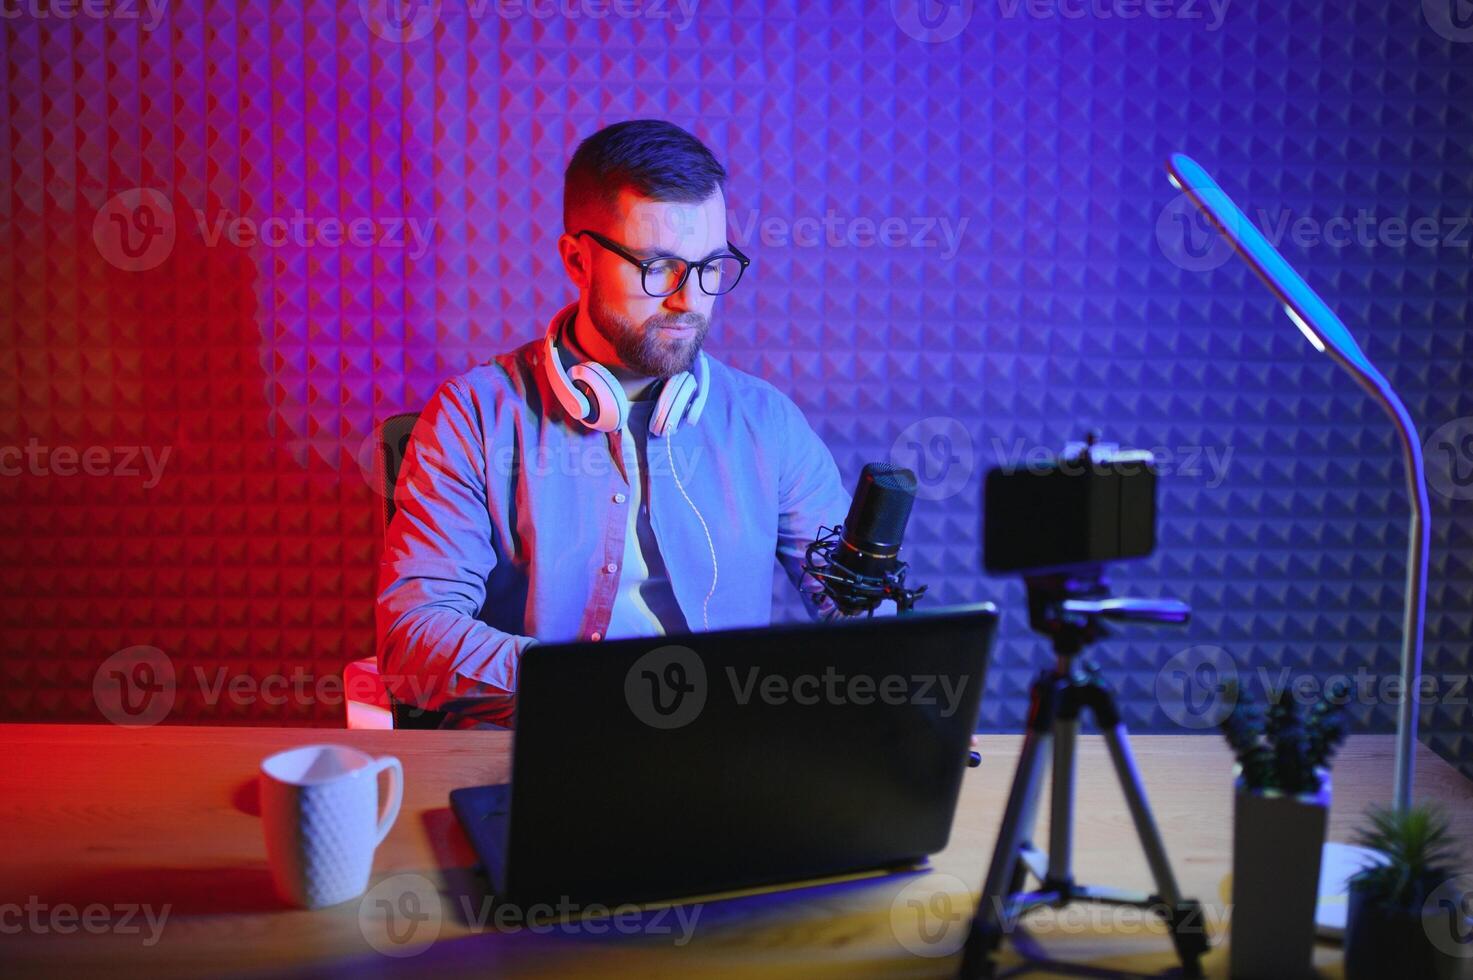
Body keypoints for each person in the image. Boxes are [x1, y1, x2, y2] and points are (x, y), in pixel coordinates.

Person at [376, 119, 856, 727]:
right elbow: (414, 638)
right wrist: (595, 689)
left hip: (724, 760)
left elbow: (857, 605)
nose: (690, 300)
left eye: (710, 267)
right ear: (577, 261)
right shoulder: (473, 419)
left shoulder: (769, 425)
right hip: (543, 751)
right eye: (658, 268)